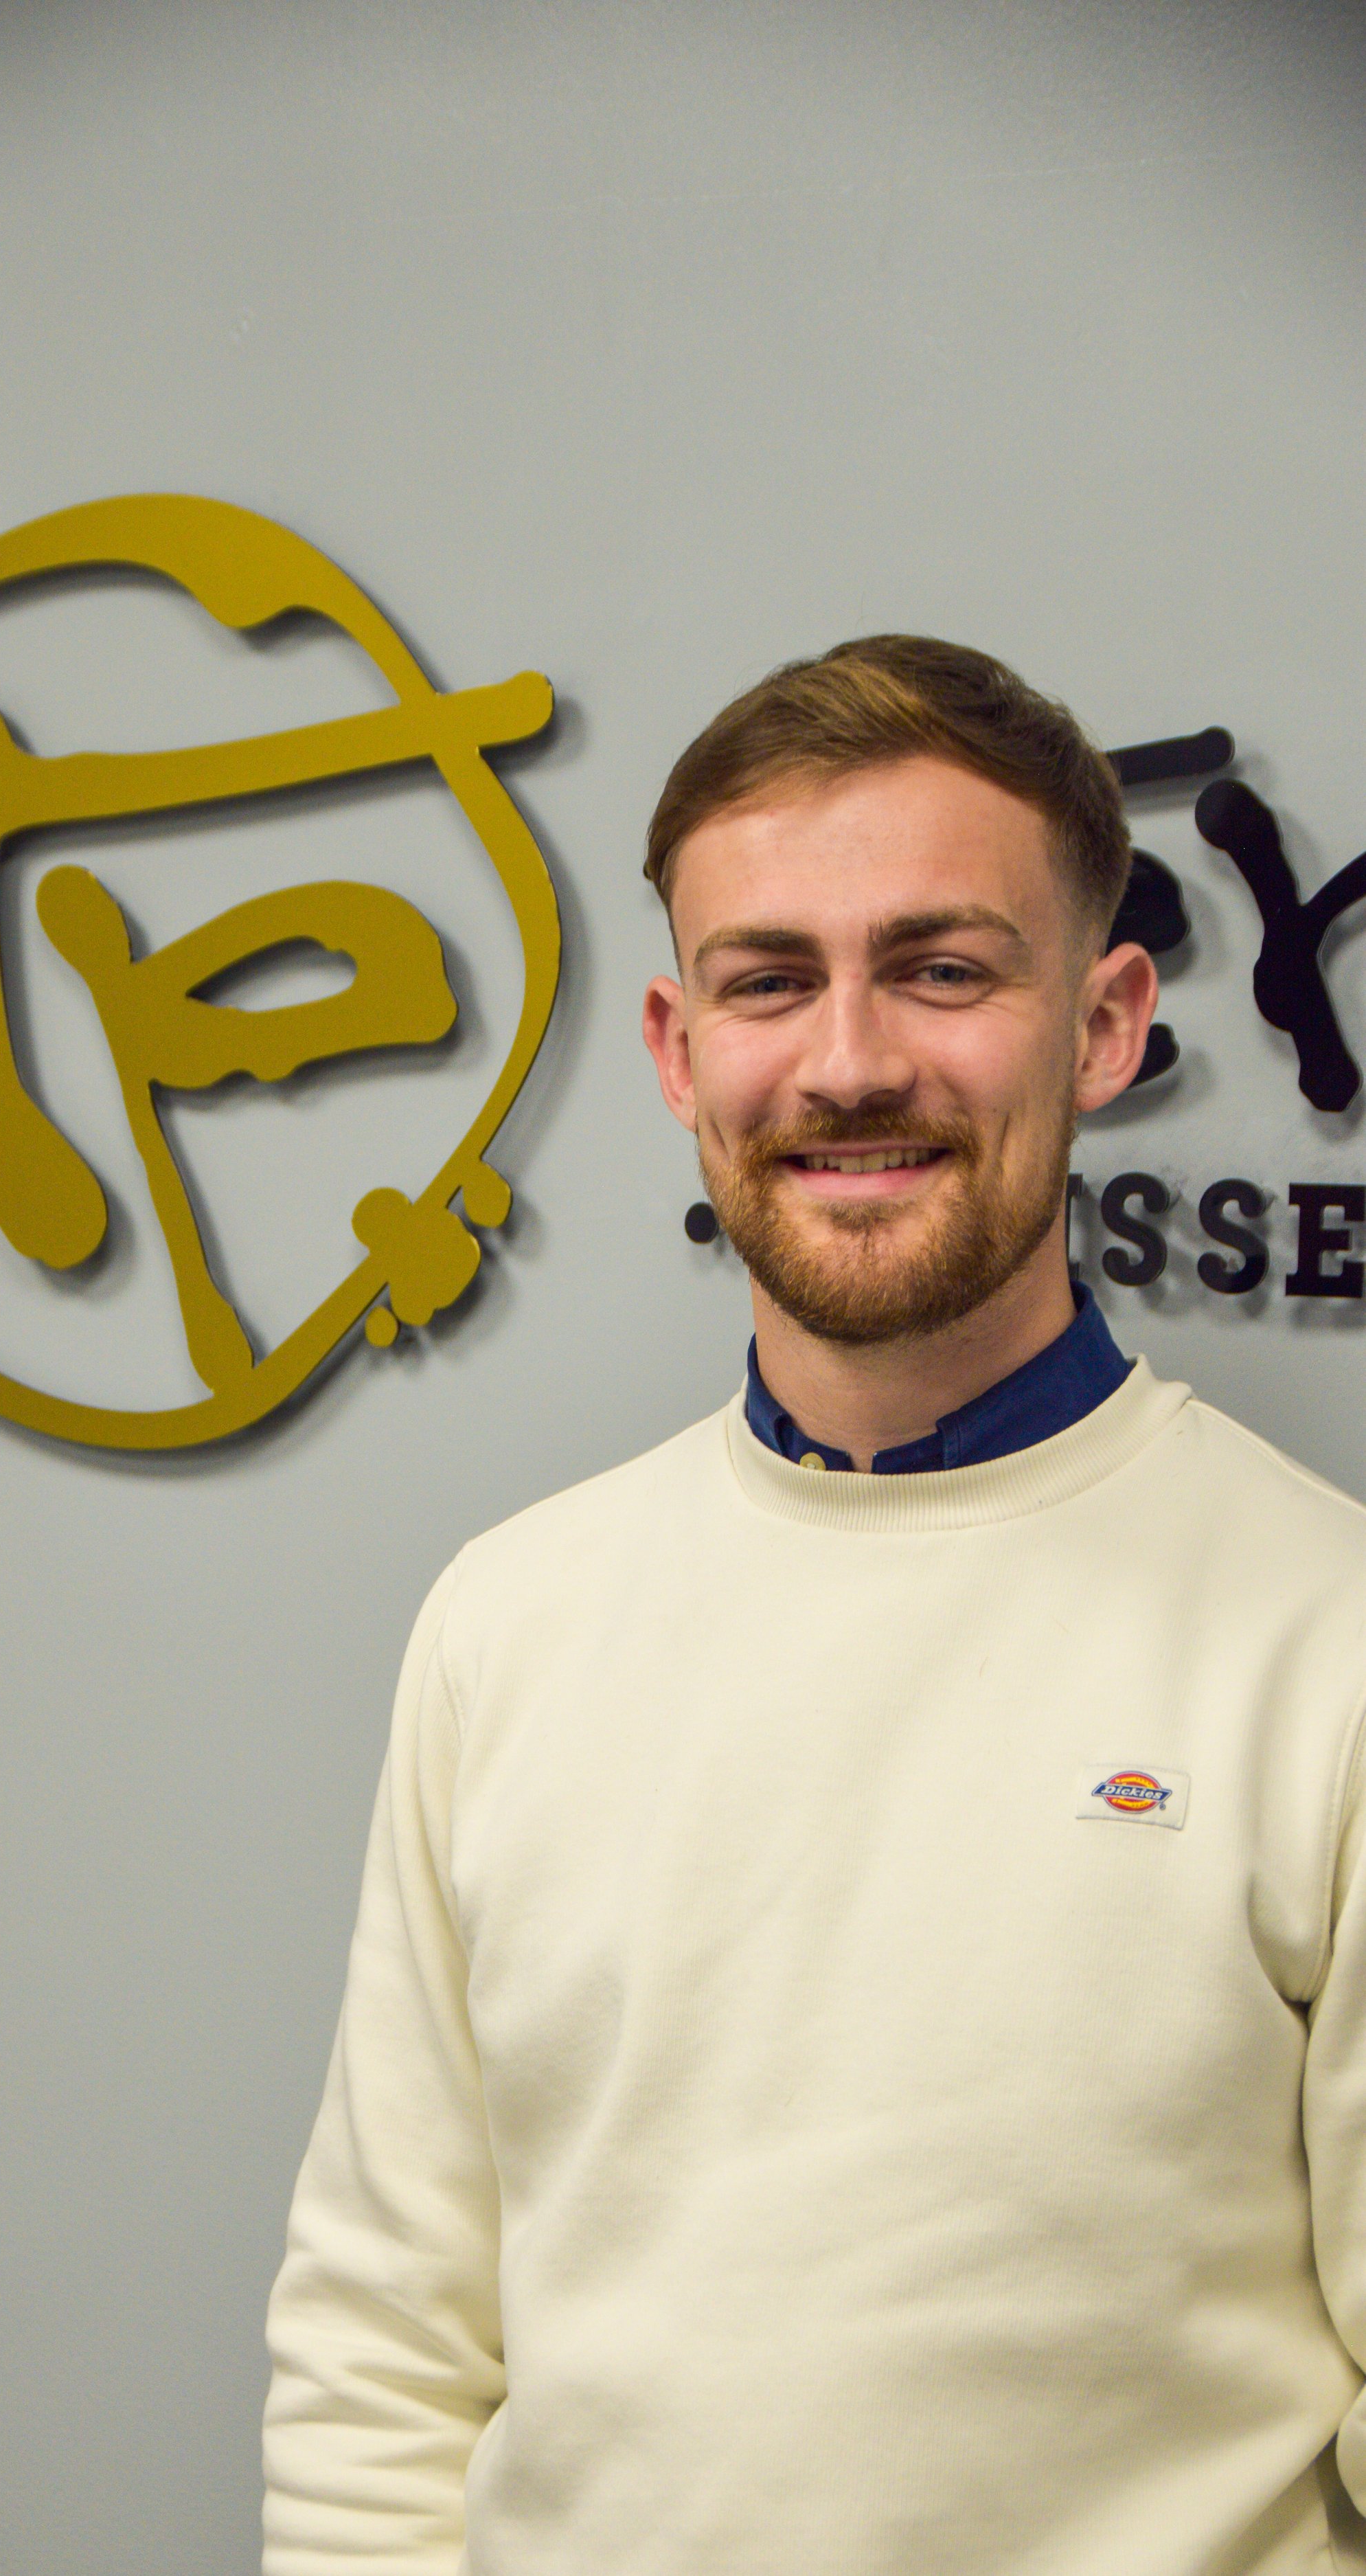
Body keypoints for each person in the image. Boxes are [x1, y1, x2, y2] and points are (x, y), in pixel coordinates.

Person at [262, 636, 1366, 2575]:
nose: (849, 1062)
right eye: (771, 982)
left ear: (1103, 1026)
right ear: (686, 1054)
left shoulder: (1323, 1634)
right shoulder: (506, 1623)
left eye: (942, 969)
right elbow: (383, 2352)